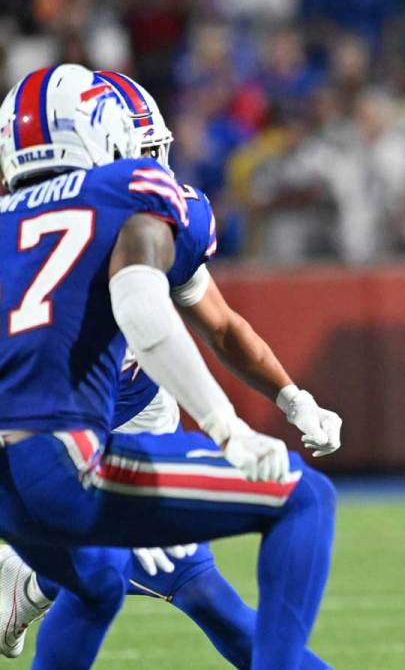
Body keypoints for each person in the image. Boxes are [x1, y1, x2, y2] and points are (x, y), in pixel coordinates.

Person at [0, 70, 340, 667]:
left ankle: (25, 583)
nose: (158, 165)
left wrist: (292, 398)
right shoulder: (125, 196)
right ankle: (24, 582)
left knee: (102, 580)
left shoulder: (11, 224)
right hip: (75, 453)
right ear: (103, 139)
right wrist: (228, 428)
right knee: (301, 498)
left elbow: (221, 326)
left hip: (39, 455)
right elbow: (143, 309)